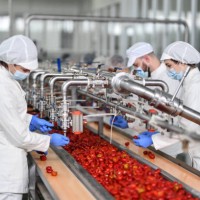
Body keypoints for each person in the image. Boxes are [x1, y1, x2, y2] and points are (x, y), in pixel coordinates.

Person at [0, 35, 70, 200]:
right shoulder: (3, 87)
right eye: (24, 70)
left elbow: (8, 114)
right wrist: (48, 140)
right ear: (10, 62)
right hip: (6, 170)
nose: (27, 73)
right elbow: (20, 137)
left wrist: (31, 120)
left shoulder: (7, 78)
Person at [133, 41, 200, 170]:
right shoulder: (188, 83)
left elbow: (188, 128)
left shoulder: (195, 86)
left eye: (169, 65)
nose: (168, 70)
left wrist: (155, 139)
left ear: (182, 62)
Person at [111, 42, 181, 129]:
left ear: (147, 59)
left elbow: (173, 117)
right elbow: (144, 108)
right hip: (151, 130)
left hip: (164, 135)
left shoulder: (168, 79)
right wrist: (130, 124)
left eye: (136, 65)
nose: (136, 69)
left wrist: (155, 136)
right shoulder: (148, 76)